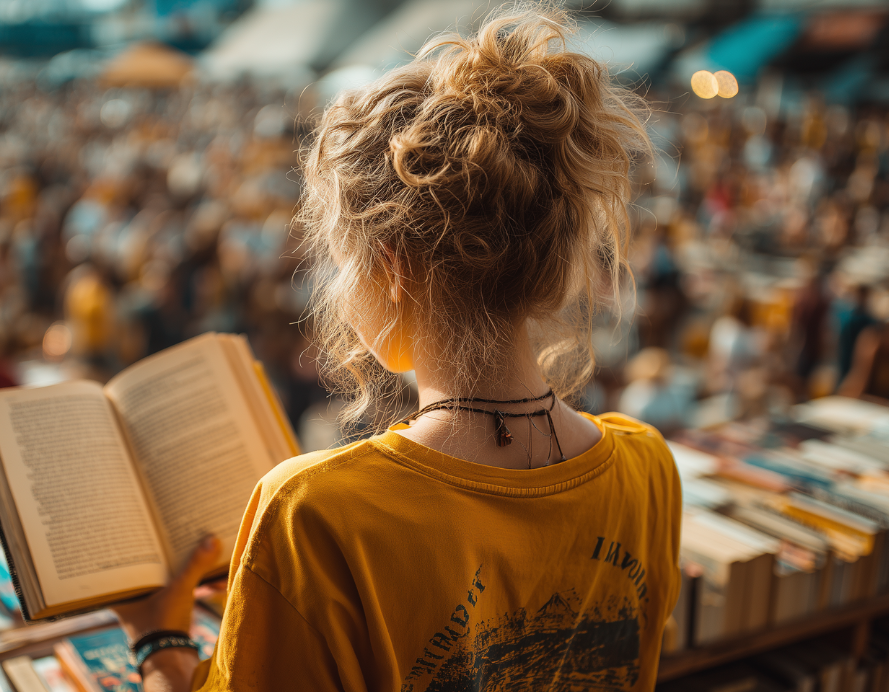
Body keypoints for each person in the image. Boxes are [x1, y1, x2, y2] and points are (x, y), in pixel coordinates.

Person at [113, 7, 682, 691]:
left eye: (339, 263)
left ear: (391, 268)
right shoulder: (649, 469)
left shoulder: (315, 517)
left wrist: (160, 642)